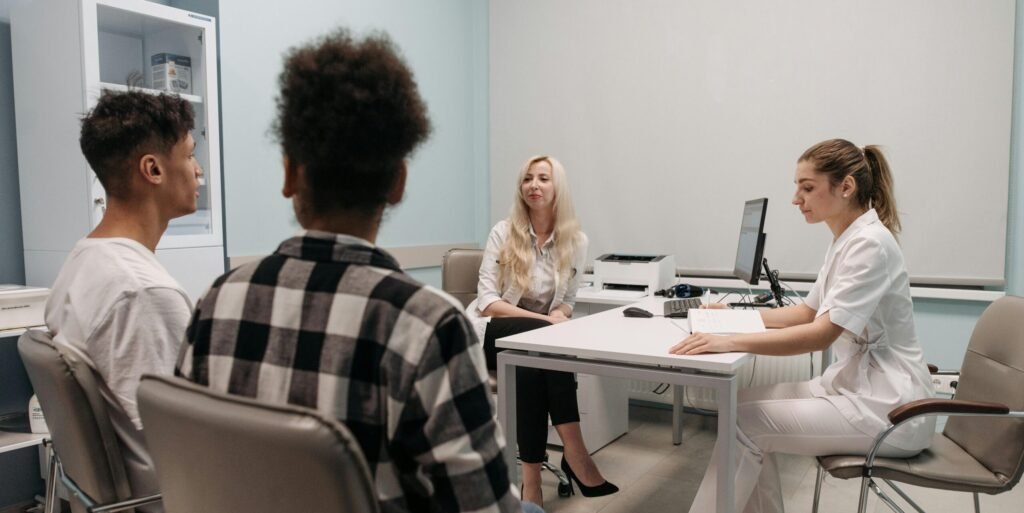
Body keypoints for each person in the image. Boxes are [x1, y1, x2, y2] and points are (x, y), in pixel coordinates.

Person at [175, 29, 540, 513]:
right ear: (398, 184)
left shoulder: (216, 302)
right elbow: (485, 507)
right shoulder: (427, 325)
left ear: (288, 174)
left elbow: (190, 462)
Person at [670, 139, 935, 513]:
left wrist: (727, 342)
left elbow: (820, 334)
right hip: (857, 389)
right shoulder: (846, 239)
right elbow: (805, 314)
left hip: (889, 410)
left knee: (744, 421)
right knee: (737, 406)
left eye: (807, 187)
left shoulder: (870, 244)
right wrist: (731, 317)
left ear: (846, 187)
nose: (796, 198)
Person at [46, 90, 201, 507]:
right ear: (152, 169)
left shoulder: (82, 261)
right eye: (189, 156)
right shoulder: (142, 292)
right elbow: (184, 445)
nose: (198, 171)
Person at [466, 155, 618, 506]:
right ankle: (576, 453)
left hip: (534, 344)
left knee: (532, 360)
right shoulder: (503, 232)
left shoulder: (576, 241)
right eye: (527, 179)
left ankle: (530, 483)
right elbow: (488, 301)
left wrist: (558, 316)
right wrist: (549, 323)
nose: (534, 185)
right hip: (490, 330)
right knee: (542, 344)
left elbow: (569, 300)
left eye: (543, 178)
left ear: (558, 188)